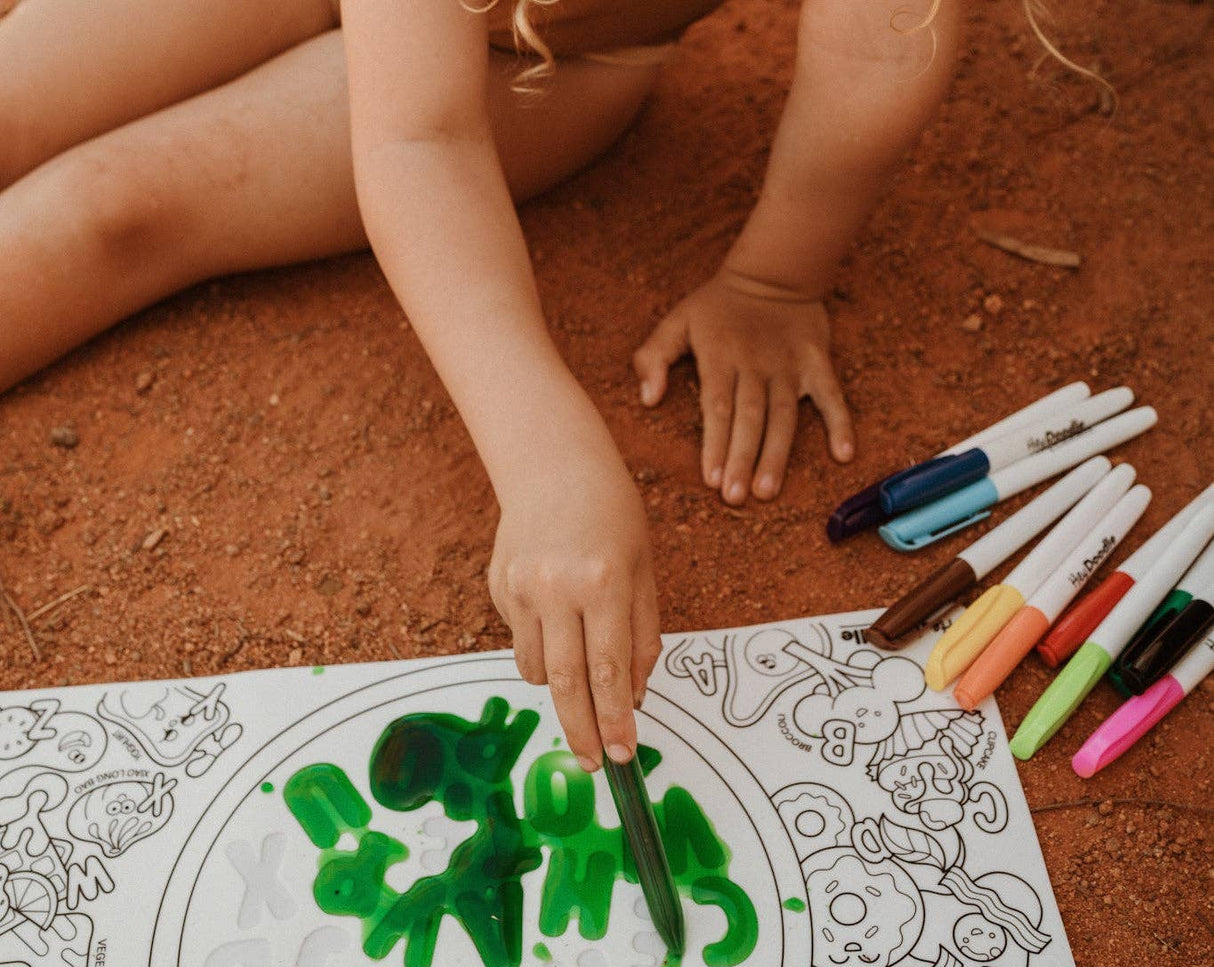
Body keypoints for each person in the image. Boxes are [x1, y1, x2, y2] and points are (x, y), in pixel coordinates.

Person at [0, 0, 962, 770]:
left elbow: (882, 43)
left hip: (552, 62)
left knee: (110, 209)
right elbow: (411, 135)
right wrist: (549, 464)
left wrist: (775, 276)